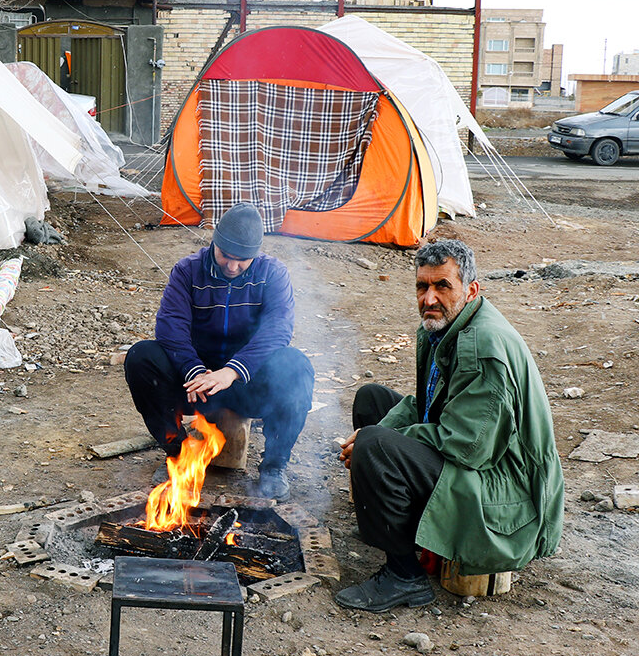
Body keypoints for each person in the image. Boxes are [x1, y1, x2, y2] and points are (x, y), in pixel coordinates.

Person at [335, 239, 564, 612]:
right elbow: (428, 406)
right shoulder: (443, 327)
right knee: (372, 400)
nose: (429, 298)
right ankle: (399, 529)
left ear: (471, 289)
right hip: (478, 460)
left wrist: (379, 441)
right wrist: (380, 433)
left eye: (443, 286)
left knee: (377, 444)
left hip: (505, 493)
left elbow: (467, 446)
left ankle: (404, 576)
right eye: (422, 286)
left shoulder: (482, 347)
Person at [124, 203, 314, 500]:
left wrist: (233, 371)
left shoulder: (272, 273)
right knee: (141, 357)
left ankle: (274, 467)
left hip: (245, 384)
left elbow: (278, 331)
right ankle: (178, 455)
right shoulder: (188, 271)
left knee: (297, 366)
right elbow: (170, 329)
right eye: (226, 255)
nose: (233, 266)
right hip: (195, 386)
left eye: (243, 260)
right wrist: (194, 370)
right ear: (214, 242)